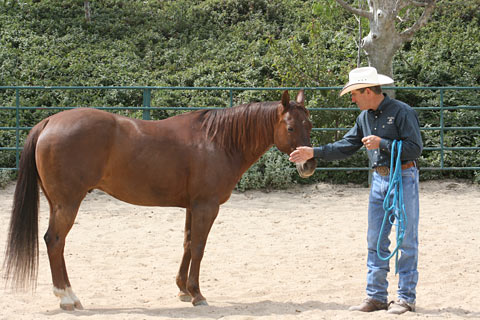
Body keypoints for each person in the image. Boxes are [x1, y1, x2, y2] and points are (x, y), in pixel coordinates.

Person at [289, 67, 423, 315]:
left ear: (368, 91)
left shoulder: (403, 112)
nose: (352, 98)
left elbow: (415, 149)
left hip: (403, 177)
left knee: (406, 239)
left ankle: (405, 298)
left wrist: (382, 143)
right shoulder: (364, 119)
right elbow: (347, 146)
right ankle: (376, 296)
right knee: (375, 239)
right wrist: (314, 152)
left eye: (354, 93)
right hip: (380, 181)